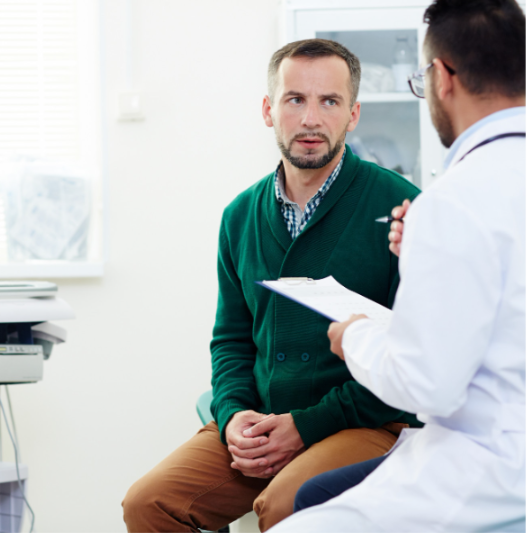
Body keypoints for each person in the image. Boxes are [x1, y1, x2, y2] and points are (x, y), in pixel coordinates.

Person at [122, 38, 422, 532]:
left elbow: (415, 360)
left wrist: (305, 426)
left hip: (364, 421)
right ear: (268, 110)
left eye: (330, 101)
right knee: (148, 504)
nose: (311, 119)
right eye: (295, 99)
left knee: (286, 504)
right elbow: (231, 340)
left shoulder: (402, 208)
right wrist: (233, 414)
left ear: (353, 114)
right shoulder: (240, 215)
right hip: (263, 421)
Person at [271, 0, 526, 531]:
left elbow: (426, 384)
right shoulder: (465, 201)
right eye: (296, 99)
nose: (311, 117)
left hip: (492, 471)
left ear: (442, 77)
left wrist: (355, 336)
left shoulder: (450, 200)